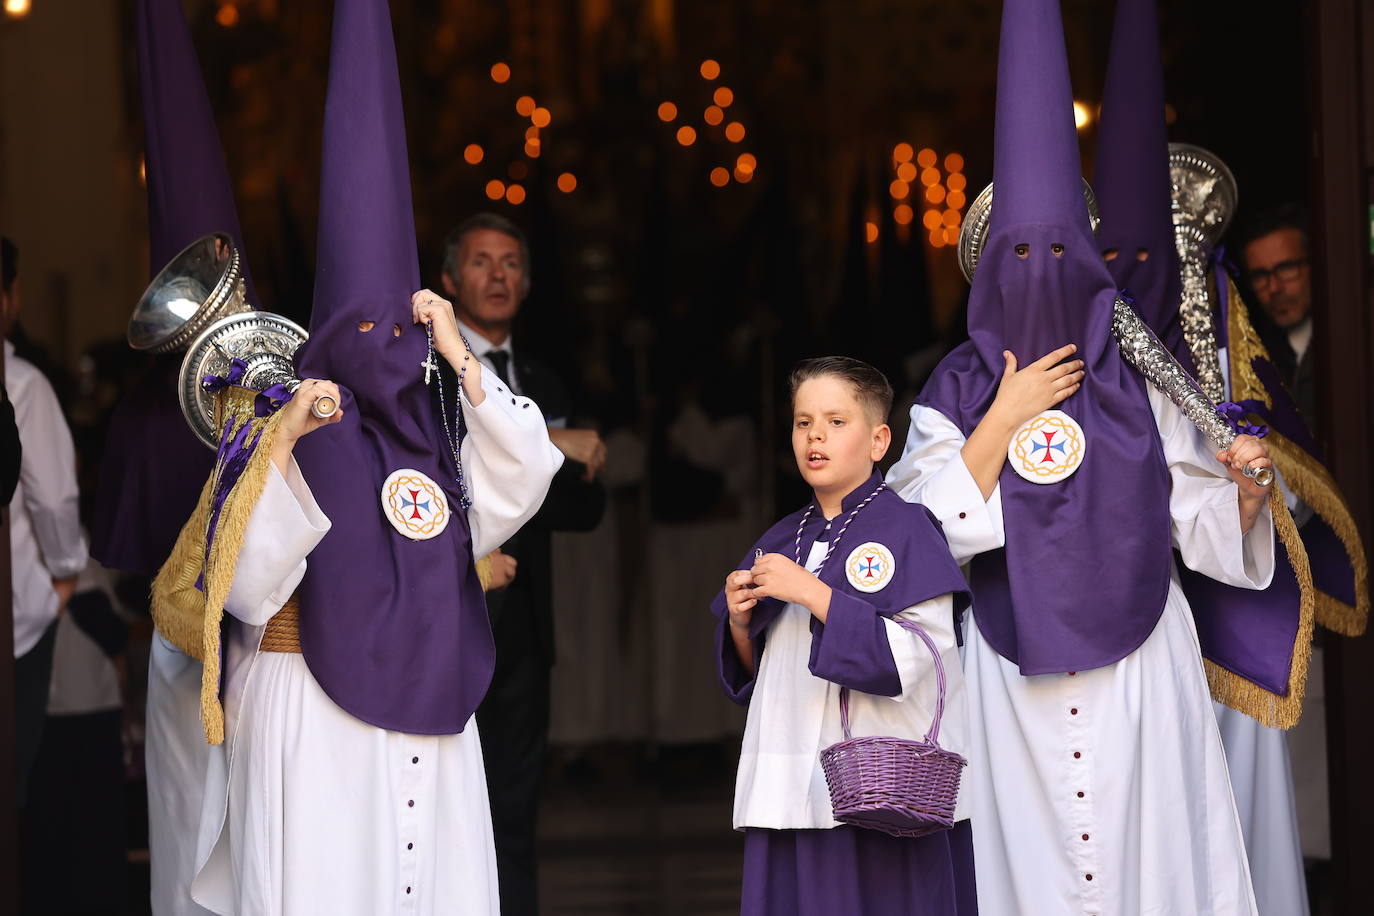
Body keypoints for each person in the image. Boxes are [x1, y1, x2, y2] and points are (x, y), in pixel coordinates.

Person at [886, 0, 1298, 911]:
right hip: (1010, 669)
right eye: (1018, 255)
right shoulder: (954, 389)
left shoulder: (1141, 378)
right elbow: (918, 536)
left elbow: (1195, 520)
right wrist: (1004, 416)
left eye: (1058, 252)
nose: (1040, 272)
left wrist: (1242, 495)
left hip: (1140, 665)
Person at [170, 2, 562, 912]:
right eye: (362, 332)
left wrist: (459, 355)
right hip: (312, 715)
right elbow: (244, 587)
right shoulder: (278, 422)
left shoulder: (438, 435)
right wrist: (285, 442)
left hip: (433, 713)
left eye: (399, 333)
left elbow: (531, 471)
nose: (383, 350)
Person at [1091, 2, 1317, 912]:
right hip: (1125, 623)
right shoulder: (1088, 349)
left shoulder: (1228, 343)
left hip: (1222, 598)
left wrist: (1250, 487)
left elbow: (1276, 463)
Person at [712, 356, 976, 916]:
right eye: (803, 422)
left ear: (879, 441)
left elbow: (917, 660)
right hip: (788, 785)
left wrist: (814, 593)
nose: (816, 436)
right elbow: (761, 674)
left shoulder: (908, 528)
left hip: (882, 789)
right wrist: (739, 623)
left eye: (836, 422)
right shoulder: (780, 538)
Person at [440, 212, 606, 914]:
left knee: (514, 810)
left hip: (526, 627)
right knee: (444, 806)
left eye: (510, 263)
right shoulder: (426, 375)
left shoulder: (541, 379)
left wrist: (540, 455)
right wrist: (551, 445)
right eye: (481, 261)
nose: (497, 275)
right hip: (447, 617)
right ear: (449, 280)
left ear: (528, 283)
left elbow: (583, 507)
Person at [2, 234, 88, 811]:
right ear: (10, 296)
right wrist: (64, 577)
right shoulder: (23, 387)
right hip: (15, 625)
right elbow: (53, 500)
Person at [1239, 204, 1316, 429]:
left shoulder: (1353, 341)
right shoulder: (1250, 354)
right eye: (1260, 275)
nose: (1274, 288)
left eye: (1286, 268)